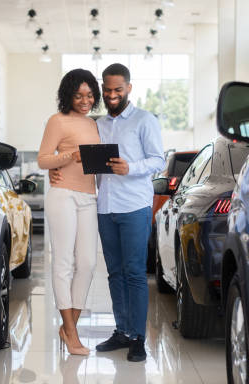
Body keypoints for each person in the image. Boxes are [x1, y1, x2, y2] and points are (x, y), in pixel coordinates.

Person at [51, 63, 165, 362]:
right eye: (108, 89)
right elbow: (77, 155)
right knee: (114, 273)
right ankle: (123, 330)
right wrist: (56, 170)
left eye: (118, 89)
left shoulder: (144, 120)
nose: (112, 95)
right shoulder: (97, 124)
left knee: (135, 273)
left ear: (129, 87)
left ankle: (138, 337)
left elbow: (157, 159)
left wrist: (132, 167)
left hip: (134, 206)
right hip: (104, 207)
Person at [38, 69, 101, 356]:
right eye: (78, 95)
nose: (85, 100)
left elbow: (96, 164)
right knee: (63, 262)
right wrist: (68, 157)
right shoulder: (57, 120)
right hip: (63, 195)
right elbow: (43, 160)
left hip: (89, 196)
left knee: (87, 263)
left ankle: (68, 326)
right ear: (68, 95)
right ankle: (71, 331)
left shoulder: (93, 125)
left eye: (89, 95)